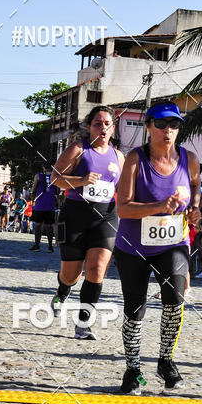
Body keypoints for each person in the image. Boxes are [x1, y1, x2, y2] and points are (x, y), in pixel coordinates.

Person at [114, 101, 201, 394]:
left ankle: (166, 361)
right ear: (149, 127)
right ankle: (133, 369)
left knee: (175, 300)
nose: (168, 130)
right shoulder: (135, 159)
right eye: (161, 124)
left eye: (174, 125)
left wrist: (195, 212)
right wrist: (159, 206)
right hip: (133, 246)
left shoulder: (189, 160)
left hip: (173, 243)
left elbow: (195, 195)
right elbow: (123, 209)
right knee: (135, 309)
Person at [50, 106, 124, 339]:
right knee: (71, 274)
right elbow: (55, 180)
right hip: (75, 214)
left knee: (96, 269)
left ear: (113, 128)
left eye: (107, 124)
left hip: (106, 216)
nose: (102, 128)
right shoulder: (78, 150)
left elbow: (121, 190)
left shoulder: (118, 156)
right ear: (89, 127)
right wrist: (81, 180)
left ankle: (84, 323)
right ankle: (63, 289)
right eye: (97, 123)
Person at [29, 173, 57, 251]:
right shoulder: (55, 176)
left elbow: (34, 190)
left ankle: (37, 245)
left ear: (43, 167)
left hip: (39, 204)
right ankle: (50, 246)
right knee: (49, 226)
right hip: (50, 205)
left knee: (38, 225)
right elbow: (57, 191)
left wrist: (33, 201)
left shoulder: (38, 176)